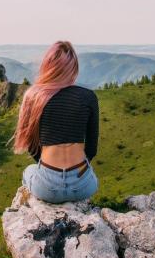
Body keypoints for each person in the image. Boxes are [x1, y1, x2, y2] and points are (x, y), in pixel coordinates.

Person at [9, 40, 99, 203]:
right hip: (83, 186)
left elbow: (32, 148)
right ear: (74, 68)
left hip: (47, 187)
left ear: (47, 66)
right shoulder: (88, 97)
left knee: (29, 171)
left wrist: (50, 172)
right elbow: (92, 149)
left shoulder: (34, 96)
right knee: (90, 175)